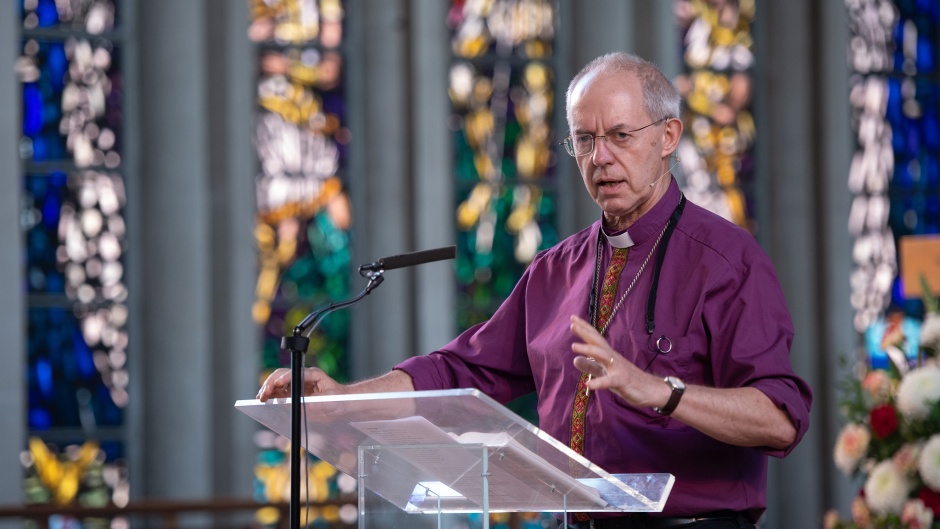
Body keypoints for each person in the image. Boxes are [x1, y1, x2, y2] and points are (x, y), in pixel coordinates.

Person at [258, 52, 813, 529]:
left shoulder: (726, 260)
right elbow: (457, 373)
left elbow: (780, 419)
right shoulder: (555, 270)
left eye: (620, 136)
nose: (601, 158)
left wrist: (659, 392)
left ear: (668, 137)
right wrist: (342, 399)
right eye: (585, 141)